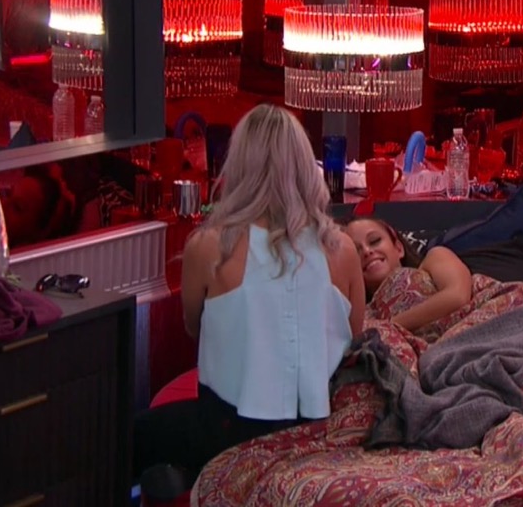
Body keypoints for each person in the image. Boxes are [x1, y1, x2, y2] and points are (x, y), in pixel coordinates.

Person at [132, 104, 366, 484]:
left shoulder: (209, 246)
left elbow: (194, 329)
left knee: (126, 438)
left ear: (238, 166)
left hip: (229, 430)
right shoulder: (342, 249)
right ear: (306, 167)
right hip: (317, 429)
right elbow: (353, 339)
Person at [343, 218, 473, 335]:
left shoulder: (434, 258)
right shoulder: (359, 320)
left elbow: (458, 295)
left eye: (374, 241)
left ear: (398, 248)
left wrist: (390, 326)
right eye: (356, 250)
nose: (367, 251)